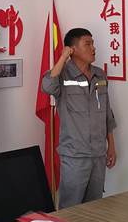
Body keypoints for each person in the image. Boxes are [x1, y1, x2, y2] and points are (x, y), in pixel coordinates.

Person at [41, 28, 117, 209]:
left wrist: (111, 145)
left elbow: (106, 112)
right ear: (72, 49)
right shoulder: (62, 75)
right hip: (74, 156)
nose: (93, 48)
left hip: (98, 154)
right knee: (71, 207)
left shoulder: (100, 75)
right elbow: (48, 87)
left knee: (94, 207)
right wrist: (63, 57)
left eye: (93, 44)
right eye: (88, 44)